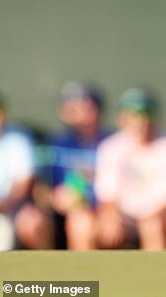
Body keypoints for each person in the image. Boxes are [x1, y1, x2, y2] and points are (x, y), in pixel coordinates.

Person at [94, 88, 166, 250]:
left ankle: (157, 275)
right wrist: (112, 218)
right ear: (121, 118)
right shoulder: (110, 147)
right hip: (126, 218)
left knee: (151, 225)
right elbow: (107, 195)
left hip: (165, 219)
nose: (141, 121)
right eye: (133, 115)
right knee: (84, 225)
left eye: (146, 115)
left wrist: (147, 220)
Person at [46, 81, 112, 249]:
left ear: (94, 108)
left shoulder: (114, 142)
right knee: (81, 222)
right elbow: (44, 189)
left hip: (111, 212)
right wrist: (55, 197)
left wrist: (107, 212)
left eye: (78, 104)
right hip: (71, 215)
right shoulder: (58, 144)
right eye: (68, 105)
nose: (71, 110)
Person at [0, 91, 50, 250]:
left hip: (12, 208)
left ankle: (48, 272)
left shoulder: (17, 139)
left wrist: (2, 206)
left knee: (32, 222)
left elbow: (21, 186)